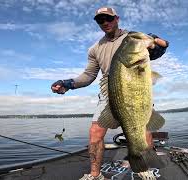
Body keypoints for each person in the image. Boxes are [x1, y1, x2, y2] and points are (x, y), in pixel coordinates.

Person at [51, 7, 169, 180]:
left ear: (116, 18)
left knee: (143, 128)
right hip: (110, 93)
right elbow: (89, 75)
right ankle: (95, 174)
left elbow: (159, 48)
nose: (105, 22)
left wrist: (156, 40)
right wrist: (67, 84)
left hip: (135, 92)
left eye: (109, 18)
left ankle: (143, 167)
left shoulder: (132, 37)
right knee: (95, 132)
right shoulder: (95, 49)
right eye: (101, 20)